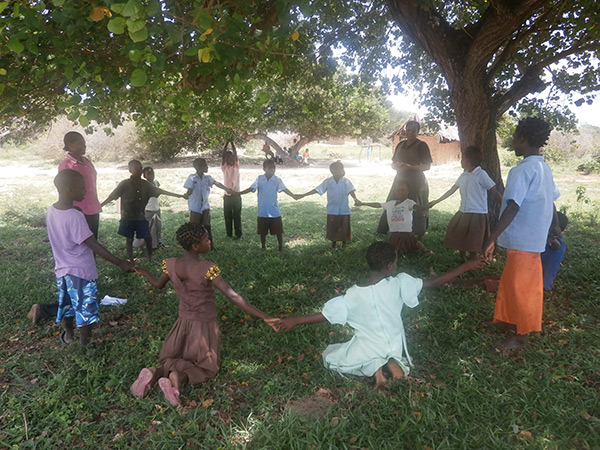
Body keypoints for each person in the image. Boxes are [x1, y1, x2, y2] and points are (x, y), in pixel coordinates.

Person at [267, 241, 486, 388]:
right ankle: (391, 363)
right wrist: (467, 266)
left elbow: (325, 315)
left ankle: (377, 368)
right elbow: (436, 282)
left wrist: (293, 320)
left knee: (333, 358)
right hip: (393, 344)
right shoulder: (399, 284)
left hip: (368, 346)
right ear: (391, 266)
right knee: (382, 353)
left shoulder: (352, 295)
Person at [131, 223, 277, 406]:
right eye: (206, 240)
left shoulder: (170, 264)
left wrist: (145, 273)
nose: (210, 242)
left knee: (174, 358)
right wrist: (263, 316)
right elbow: (232, 296)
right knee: (206, 367)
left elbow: (158, 284)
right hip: (204, 325)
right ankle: (179, 378)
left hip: (182, 324)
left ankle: (155, 372)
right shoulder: (208, 268)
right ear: (195, 247)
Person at [483, 117, 560, 350]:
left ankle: (521, 336)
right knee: (510, 282)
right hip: (530, 238)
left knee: (523, 288)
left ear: (523, 139)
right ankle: (507, 319)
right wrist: (554, 226)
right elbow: (552, 201)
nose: (513, 142)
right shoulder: (544, 168)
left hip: (524, 240)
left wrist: (492, 237)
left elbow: (513, 205)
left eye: (515, 138)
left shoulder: (523, 170)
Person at [46, 170, 133, 346]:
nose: (85, 191)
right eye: (82, 188)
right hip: (81, 271)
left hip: (62, 270)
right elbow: (92, 244)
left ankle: (69, 336)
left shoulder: (52, 210)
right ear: (70, 190)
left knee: (69, 306)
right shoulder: (75, 216)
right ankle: (85, 344)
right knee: (85, 308)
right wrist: (120, 262)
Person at [427, 146, 503, 260]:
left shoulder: (481, 174)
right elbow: (451, 190)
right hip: (464, 211)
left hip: (477, 213)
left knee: (474, 238)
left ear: (470, 159)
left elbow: (494, 191)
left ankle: (471, 259)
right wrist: (436, 201)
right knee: (460, 234)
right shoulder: (464, 175)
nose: (461, 161)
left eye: (463, 158)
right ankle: (462, 257)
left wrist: (504, 204)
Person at [101, 160, 184, 262]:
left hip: (141, 217)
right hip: (128, 217)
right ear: (130, 170)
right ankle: (131, 260)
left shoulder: (146, 184)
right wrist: (101, 205)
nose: (139, 170)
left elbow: (161, 191)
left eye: (140, 167)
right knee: (129, 239)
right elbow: (112, 196)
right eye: (136, 168)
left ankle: (150, 258)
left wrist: (180, 196)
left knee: (147, 237)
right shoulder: (124, 184)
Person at [378, 120, 432, 239]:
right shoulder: (400, 145)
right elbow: (393, 162)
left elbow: (427, 166)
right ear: (405, 131)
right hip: (400, 180)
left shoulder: (422, 145)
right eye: (408, 130)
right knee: (395, 203)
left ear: (418, 132)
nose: (410, 133)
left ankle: (418, 234)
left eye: (414, 131)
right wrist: (396, 166)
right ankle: (394, 230)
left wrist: (410, 167)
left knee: (416, 205)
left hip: (416, 182)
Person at [237, 159, 298, 251]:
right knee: (262, 232)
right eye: (270, 167)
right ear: (264, 169)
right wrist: (239, 193)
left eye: (274, 167)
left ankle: (280, 247)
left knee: (278, 231)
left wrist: (293, 195)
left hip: (274, 210)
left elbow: (284, 189)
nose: (272, 169)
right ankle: (263, 246)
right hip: (263, 211)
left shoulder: (277, 180)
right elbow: (251, 188)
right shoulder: (259, 179)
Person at [297, 161, 362, 248]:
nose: (343, 170)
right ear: (333, 171)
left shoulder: (346, 181)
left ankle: (344, 244)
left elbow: (351, 191)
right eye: (340, 169)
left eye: (343, 168)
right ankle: (333, 244)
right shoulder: (328, 182)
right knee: (333, 227)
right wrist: (303, 195)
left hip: (344, 210)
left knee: (344, 227)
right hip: (332, 209)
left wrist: (355, 199)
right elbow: (317, 190)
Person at [357, 180, 433, 254]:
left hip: (407, 235)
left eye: (403, 190)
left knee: (409, 250)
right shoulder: (391, 203)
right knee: (393, 251)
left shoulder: (409, 203)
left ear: (408, 191)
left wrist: (424, 207)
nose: (400, 192)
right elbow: (378, 205)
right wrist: (363, 203)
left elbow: (417, 207)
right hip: (394, 235)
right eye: (398, 190)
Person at [58, 131, 102, 239]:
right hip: (77, 210)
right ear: (70, 145)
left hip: (92, 208)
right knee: (80, 242)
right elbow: (64, 189)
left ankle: (92, 257)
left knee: (93, 240)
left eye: (85, 143)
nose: (84, 146)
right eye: (81, 143)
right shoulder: (66, 165)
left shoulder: (86, 161)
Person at [184, 157, 231, 250]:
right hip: (195, 207)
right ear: (198, 167)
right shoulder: (192, 178)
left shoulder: (208, 178)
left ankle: (210, 246)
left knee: (207, 227)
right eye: (205, 165)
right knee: (195, 228)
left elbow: (217, 183)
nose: (207, 166)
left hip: (205, 206)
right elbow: (189, 189)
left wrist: (226, 189)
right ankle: (194, 246)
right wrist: (186, 195)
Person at [133, 166, 163, 249]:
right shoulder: (143, 185)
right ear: (144, 176)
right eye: (149, 174)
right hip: (148, 209)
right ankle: (147, 245)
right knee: (149, 228)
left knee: (157, 226)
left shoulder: (156, 182)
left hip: (156, 208)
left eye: (152, 173)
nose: (151, 175)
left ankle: (158, 242)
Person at [220, 142, 243, 240]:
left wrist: (232, 143)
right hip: (227, 196)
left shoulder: (236, 166)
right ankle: (229, 234)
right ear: (226, 160)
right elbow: (223, 155)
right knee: (228, 216)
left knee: (237, 216)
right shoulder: (224, 167)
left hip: (237, 196)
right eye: (228, 158)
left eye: (233, 158)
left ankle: (239, 235)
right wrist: (226, 144)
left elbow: (236, 154)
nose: (231, 160)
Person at [541, 211, 568, 291]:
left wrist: (553, 240)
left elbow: (557, 247)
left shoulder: (558, 243)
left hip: (545, 278)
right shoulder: (545, 237)